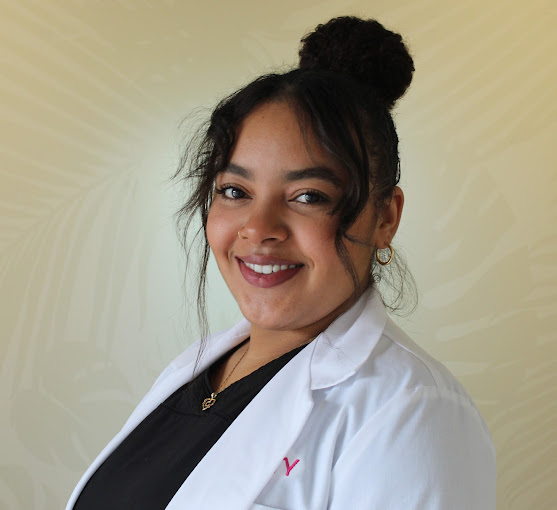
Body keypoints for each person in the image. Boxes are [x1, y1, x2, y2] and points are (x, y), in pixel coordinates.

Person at [66, 16, 496, 510]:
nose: (258, 227)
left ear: (385, 218)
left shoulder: (414, 413)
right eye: (235, 191)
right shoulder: (201, 370)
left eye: (308, 196)